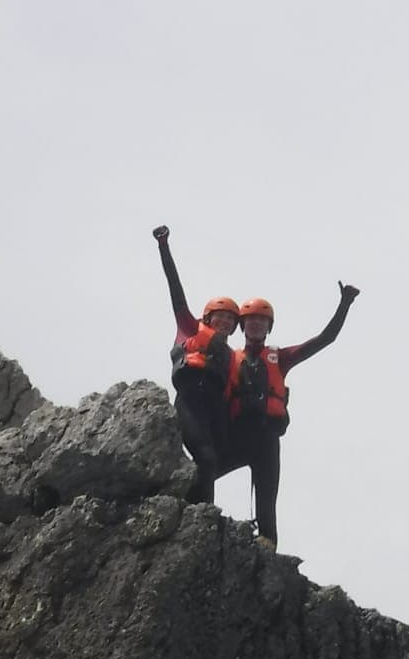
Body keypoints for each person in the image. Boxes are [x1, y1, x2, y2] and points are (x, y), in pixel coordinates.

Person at [222, 281, 358, 549]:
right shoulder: (229, 358)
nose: (256, 325)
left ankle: (267, 547)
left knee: (267, 496)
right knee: (205, 470)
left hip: (267, 438)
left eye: (262, 321)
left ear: (269, 327)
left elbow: (324, 339)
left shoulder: (280, 358)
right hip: (237, 434)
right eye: (251, 321)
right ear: (243, 326)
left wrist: (344, 305)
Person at [153, 225, 239, 506]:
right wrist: (163, 246)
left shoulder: (230, 355)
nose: (225, 322)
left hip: (214, 407)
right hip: (190, 401)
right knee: (206, 456)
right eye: (220, 317)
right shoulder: (189, 328)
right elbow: (174, 287)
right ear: (209, 318)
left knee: (217, 458)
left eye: (230, 320)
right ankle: (204, 511)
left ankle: (190, 497)